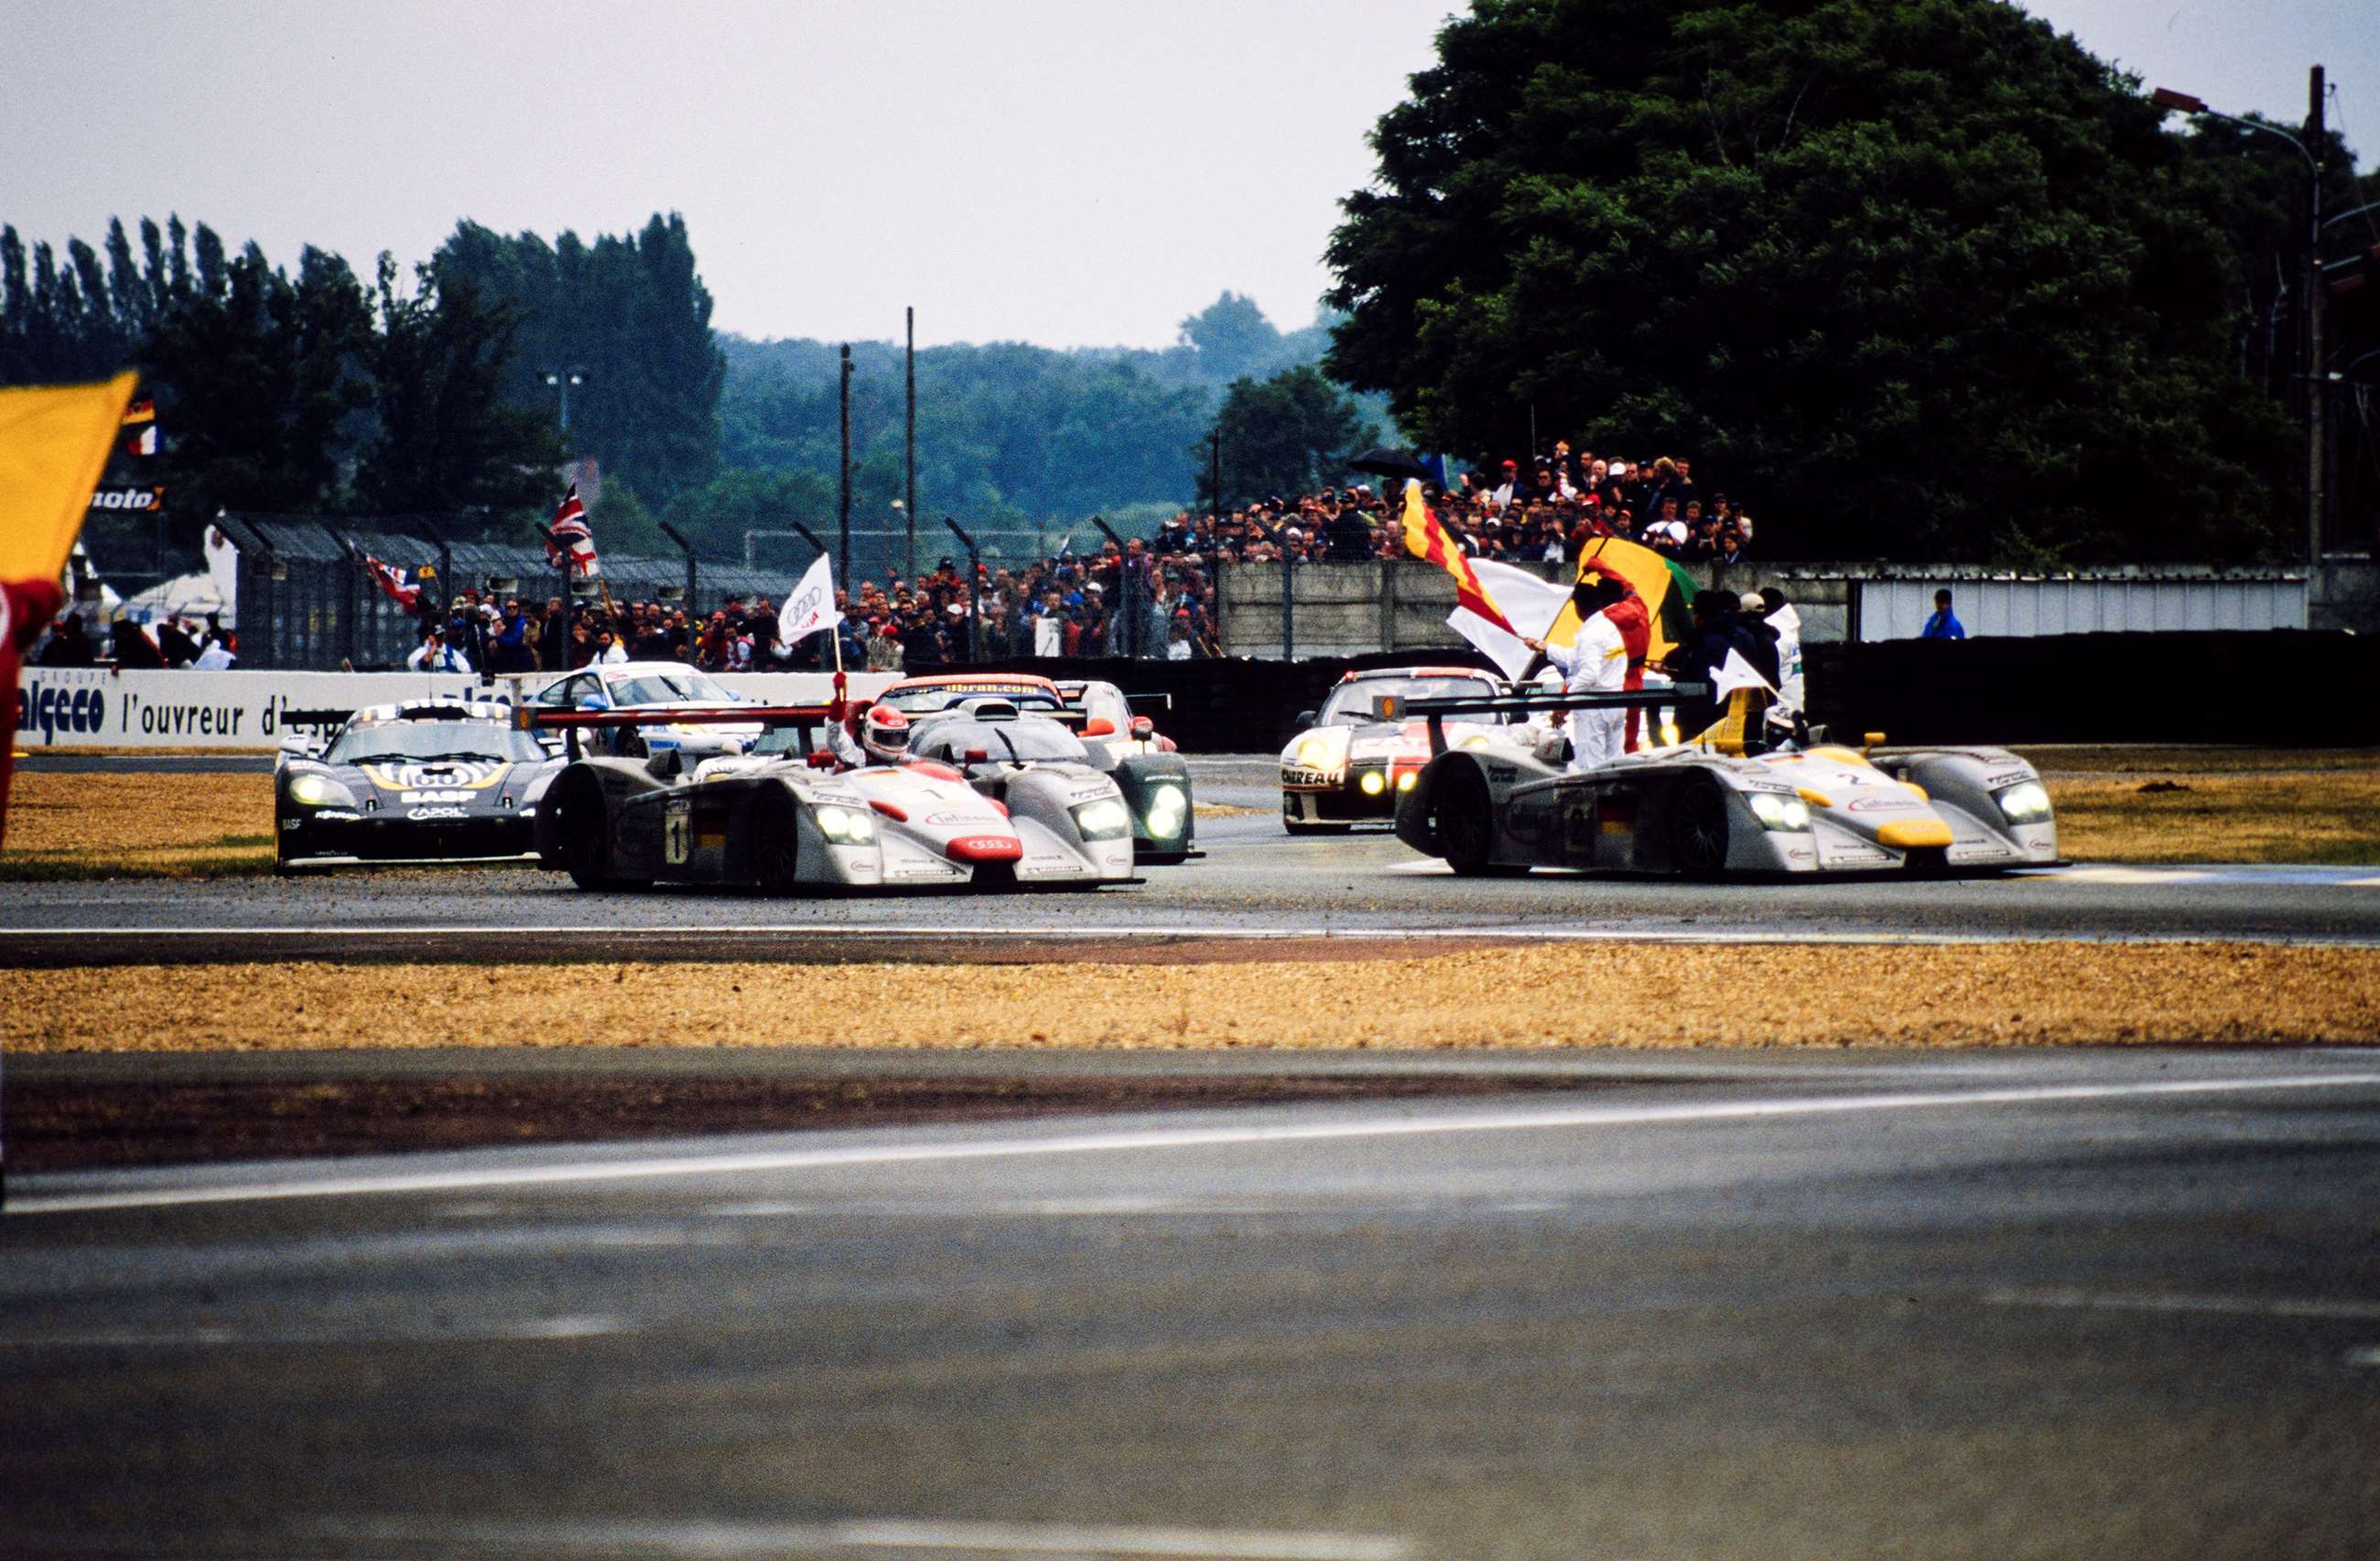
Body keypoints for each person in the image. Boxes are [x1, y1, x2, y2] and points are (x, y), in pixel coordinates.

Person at [1524, 576, 1630, 774]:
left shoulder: (1591, 635)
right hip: (1615, 702)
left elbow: (1589, 673)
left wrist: (1565, 701)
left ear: (1578, 608)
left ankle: (1595, 804)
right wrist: (1545, 648)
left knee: (1591, 766)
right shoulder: (1608, 628)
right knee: (1614, 762)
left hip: (1594, 708)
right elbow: (1577, 658)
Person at [828, 702, 911, 769]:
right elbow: (839, 743)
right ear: (868, 731)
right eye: (887, 737)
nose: (895, 742)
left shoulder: (910, 761)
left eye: (900, 737)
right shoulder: (858, 758)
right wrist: (836, 718)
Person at [406, 626, 471, 673]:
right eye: (438, 636)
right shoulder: (424, 650)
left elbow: (466, 669)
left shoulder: (450, 651)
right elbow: (423, 664)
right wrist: (434, 646)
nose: (440, 638)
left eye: (442, 635)